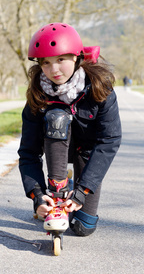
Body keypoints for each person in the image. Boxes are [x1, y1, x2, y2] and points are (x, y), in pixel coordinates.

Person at [18, 22, 122, 237]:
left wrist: (83, 190)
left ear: (76, 57)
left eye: (61, 60)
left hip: (88, 152)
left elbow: (109, 141)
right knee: (57, 117)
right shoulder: (38, 95)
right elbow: (28, 152)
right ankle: (57, 194)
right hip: (55, 148)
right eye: (46, 63)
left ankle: (73, 188)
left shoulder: (100, 88)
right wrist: (37, 195)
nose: (53, 70)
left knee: (83, 228)